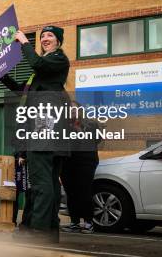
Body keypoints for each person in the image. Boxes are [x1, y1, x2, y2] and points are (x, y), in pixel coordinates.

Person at [0, 25, 70, 244]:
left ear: (58, 42)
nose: (45, 38)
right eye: (42, 36)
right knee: (49, 184)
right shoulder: (40, 75)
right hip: (46, 132)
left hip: (46, 131)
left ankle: (39, 233)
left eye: (50, 36)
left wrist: (24, 41)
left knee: (41, 183)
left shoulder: (57, 61)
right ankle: (48, 232)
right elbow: (20, 90)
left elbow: (37, 62)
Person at [60, 100, 101, 234]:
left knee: (84, 190)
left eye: (74, 109)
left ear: (79, 110)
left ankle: (89, 222)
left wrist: (79, 131)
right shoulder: (63, 125)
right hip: (67, 161)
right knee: (71, 192)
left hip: (86, 161)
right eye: (69, 109)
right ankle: (74, 223)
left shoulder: (90, 124)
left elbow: (97, 140)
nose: (71, 111)